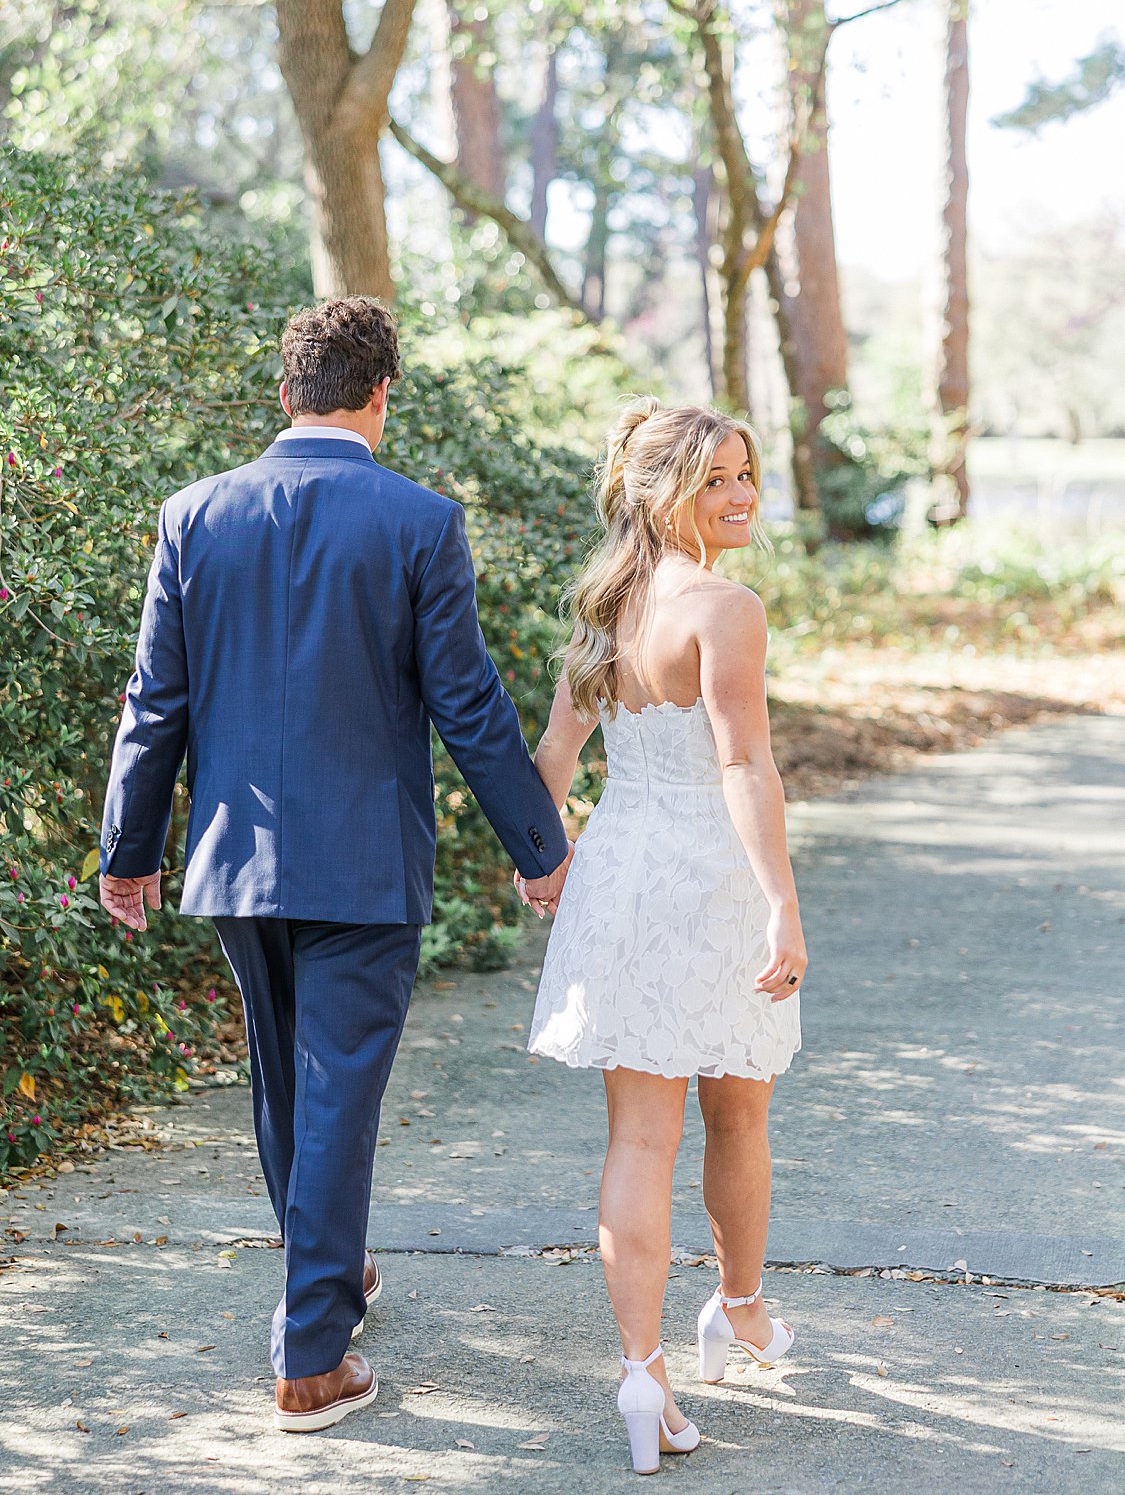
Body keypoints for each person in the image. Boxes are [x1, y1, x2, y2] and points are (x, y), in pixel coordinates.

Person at [98, 296, 571, 1432]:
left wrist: (128, 850)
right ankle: (310, 1358)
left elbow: (155, 701)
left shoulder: (194, 514)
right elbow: (467, 704)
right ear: (381, 395)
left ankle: (333, 1267)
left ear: (285, 392)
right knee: (337, 1094)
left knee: (287, 1085)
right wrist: (540, 846)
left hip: (235, 863)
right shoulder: (419, 520)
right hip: (363, 863)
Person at [520, 400, 807, 1475]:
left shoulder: (606, 604)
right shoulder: (725, 608)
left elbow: (555, 752)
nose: (739, 495)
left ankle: (646, 1370)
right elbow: (743, 765)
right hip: (710, 881)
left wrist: (540, 855)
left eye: (743, 473)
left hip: (620, 874)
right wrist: (780, 902)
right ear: (658, 493)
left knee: (640, 1137)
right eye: (713, 479)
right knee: (738, 1111)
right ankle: (736, 1305)